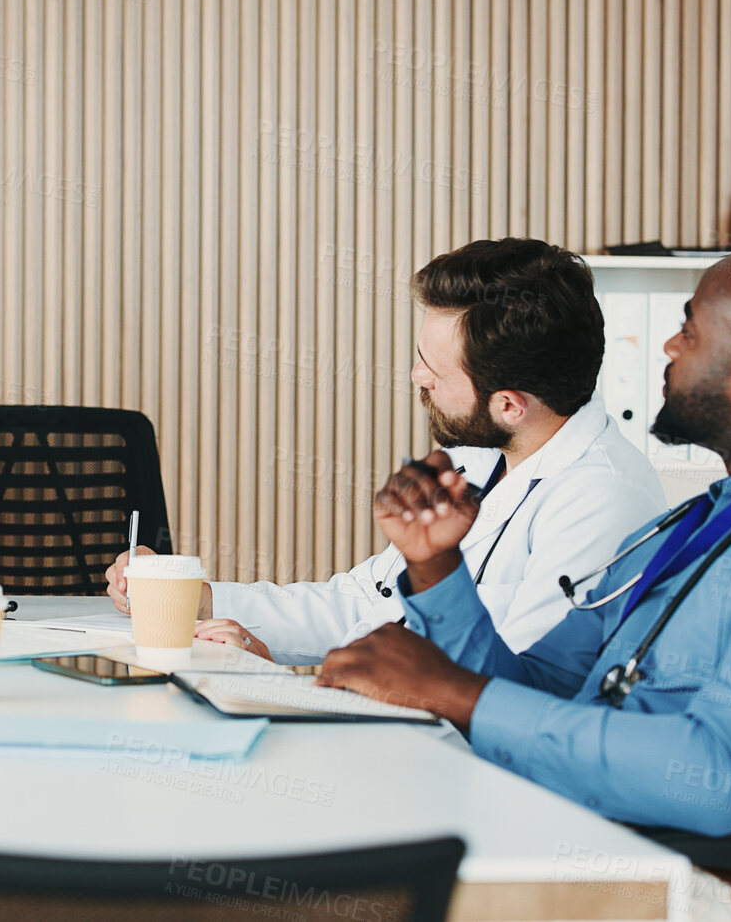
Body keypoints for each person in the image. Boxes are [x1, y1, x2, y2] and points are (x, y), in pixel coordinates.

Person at [322, 243, 731, 918]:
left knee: (353, 893)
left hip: (715, 876)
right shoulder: (698, 522)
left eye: (688, 329)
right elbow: (538, 686)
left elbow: (716, 776)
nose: (666, 344)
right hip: (596, 831)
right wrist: (435, 565)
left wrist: (456, 692)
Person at [105, 239, 664, 663]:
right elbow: (363, 603)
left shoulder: (602, 501)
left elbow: (502, 695)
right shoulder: (482, 458)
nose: (416, 375)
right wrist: (197, 600)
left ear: (511, 405)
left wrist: (275, 680)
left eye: (435, 368)